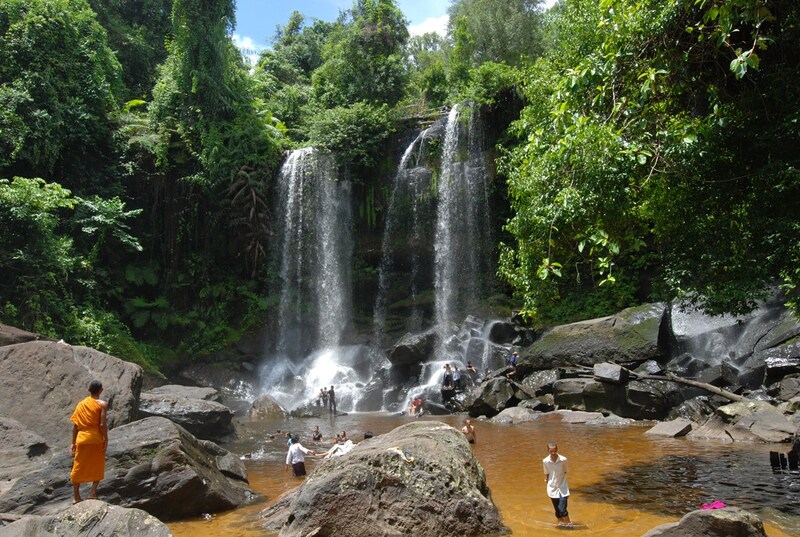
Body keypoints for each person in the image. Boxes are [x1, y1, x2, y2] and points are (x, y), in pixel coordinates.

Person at [69, 380, 109, 504]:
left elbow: (75, 426)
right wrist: (106, 438)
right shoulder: (102, 404)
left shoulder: (81, 405)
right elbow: (102, 424)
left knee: (78, 466)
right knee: (97, 465)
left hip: (81, 438)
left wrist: (73, 443)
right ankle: (92, 493)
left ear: (88, 390)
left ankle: (76, 497)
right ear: (101, 390)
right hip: (95, 438)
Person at [543, 441, 572, 527]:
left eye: (555, 450)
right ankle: (561, 524)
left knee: (562, 509)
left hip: (563, 487)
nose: (553, 453)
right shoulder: (545, 461)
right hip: (552, 488)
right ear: (548, 450)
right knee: (557, 511)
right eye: (551, 451)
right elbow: (547, 473)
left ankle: (569, 525)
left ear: (557, 449)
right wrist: (548, 481)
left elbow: (565, 470)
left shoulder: (564, 459)